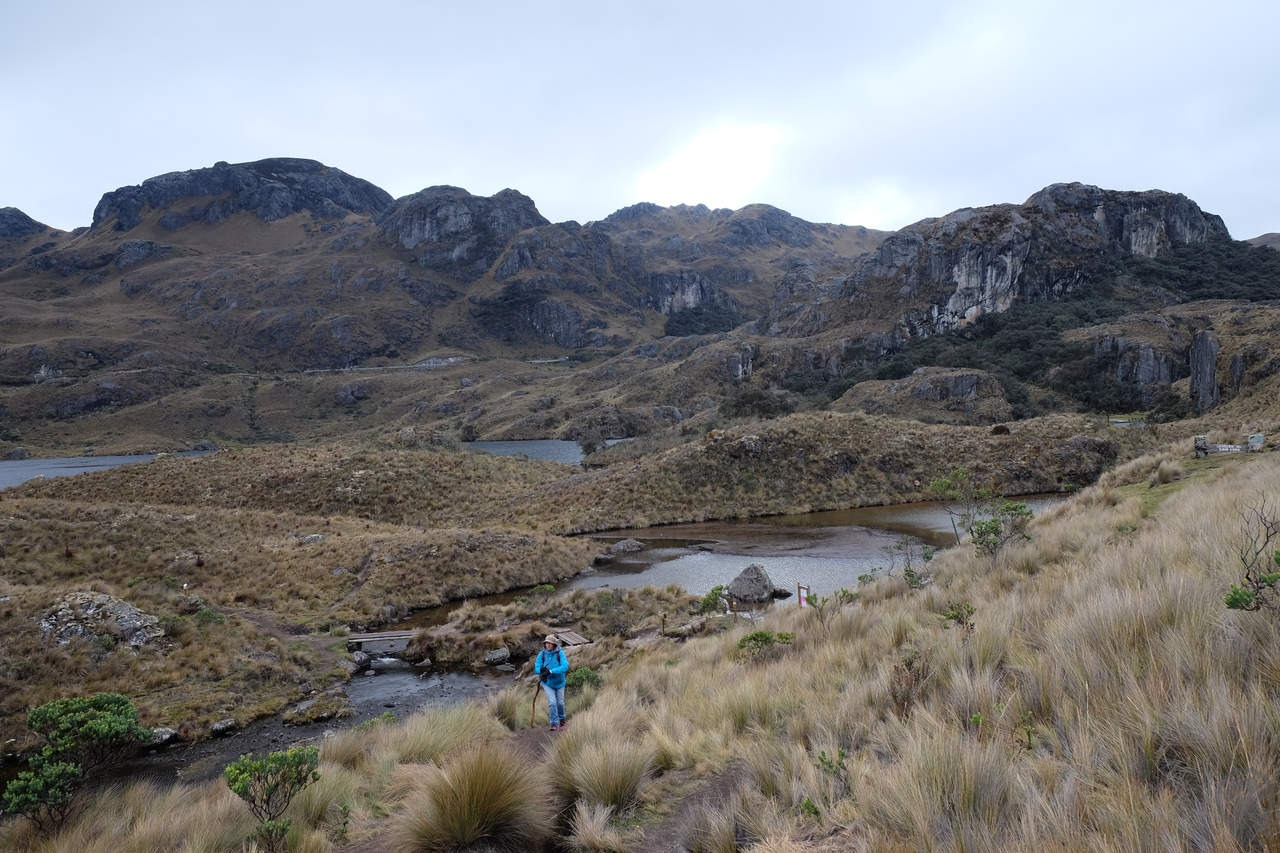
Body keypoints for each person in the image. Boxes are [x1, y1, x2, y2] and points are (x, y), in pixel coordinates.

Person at [534, 633, 569, 731]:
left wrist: (551, 671)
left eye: (550, 643)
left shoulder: (560, 653)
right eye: (546, 643)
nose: (547, 645)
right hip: (548, 683)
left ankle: (562, 721)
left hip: (560, 683)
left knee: (560, 703)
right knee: (552, 703)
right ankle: (554, 723)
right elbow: (536, 666)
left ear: (554, 644)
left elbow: (565, 666)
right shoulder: (542, 654)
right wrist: (541, 671)